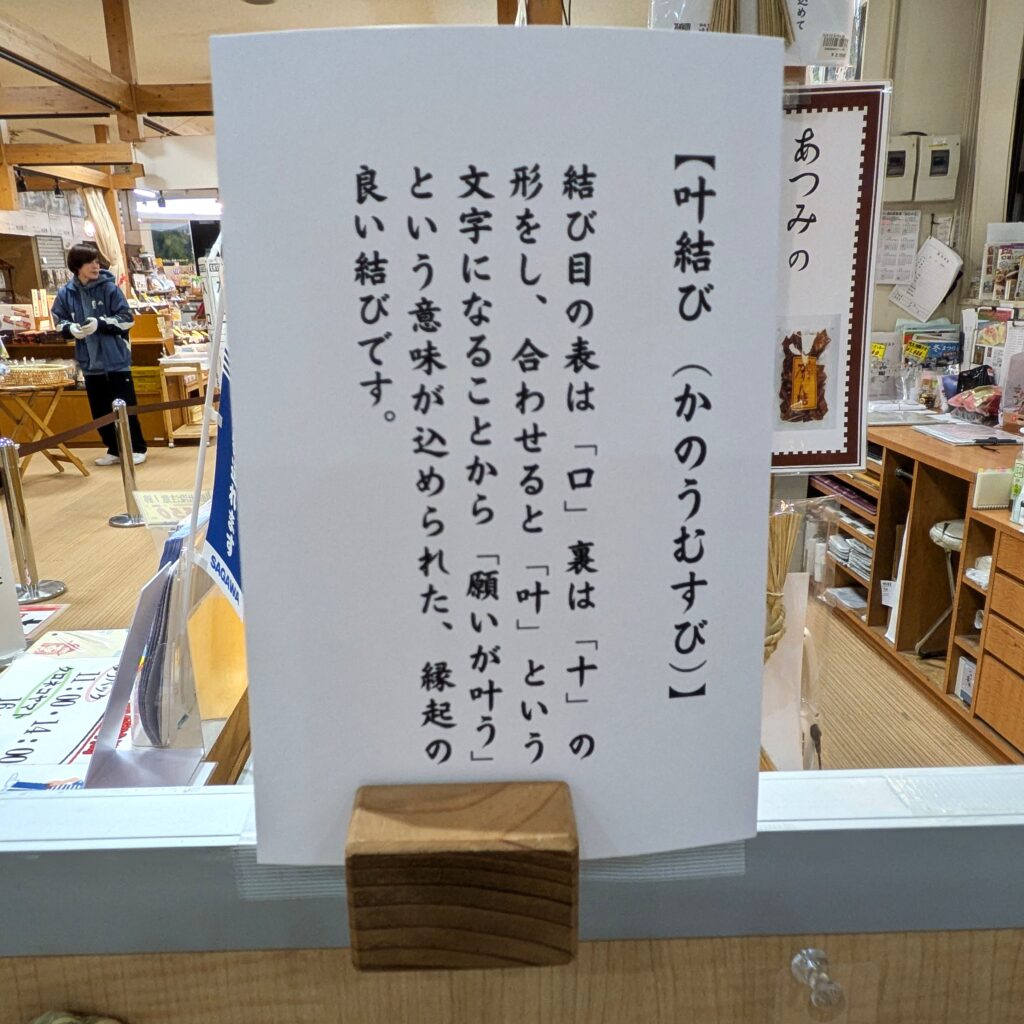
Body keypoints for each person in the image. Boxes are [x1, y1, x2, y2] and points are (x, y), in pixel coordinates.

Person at [51, 243, 147, 466]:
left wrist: (101, 323)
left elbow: (127, 319)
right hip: (89, 363)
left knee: (125, 406)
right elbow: (58, 321)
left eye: (97, 262)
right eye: (90, 262)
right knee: (100, 410)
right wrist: (70, 329)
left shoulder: (110, 288)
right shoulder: (66, 293)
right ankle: (114, 449)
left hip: (116, 360)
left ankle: (137, 447)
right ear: (78, 266)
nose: (96, 266)